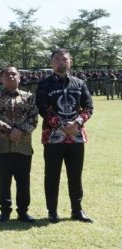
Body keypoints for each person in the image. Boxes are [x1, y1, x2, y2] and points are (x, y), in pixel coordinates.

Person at [36, 49, 94, 223]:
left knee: (75, 175)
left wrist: (77, 123)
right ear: (51, 62)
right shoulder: (44, 84)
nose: (61, 62)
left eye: (64, 59)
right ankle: (52, 211)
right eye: (57, 59)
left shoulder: (79, 83)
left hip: (75, 136)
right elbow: (42, 108)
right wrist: (61, 125)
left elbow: (88, 107)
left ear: (70, 62)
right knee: (52, 175)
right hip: (53, 137)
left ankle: (77, 210)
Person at [0, 65, 38, 223]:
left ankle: (23, 212)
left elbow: (33, 118)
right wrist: (9, 130)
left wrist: (20, 131)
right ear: (1, 79)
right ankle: (5, 211)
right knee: (4, 180)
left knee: (23, 181)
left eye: (14, 74)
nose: (11, 76)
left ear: (19, 77)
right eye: (7, 74)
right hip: (3, 146)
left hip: (23, 145)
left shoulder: (29, 97)